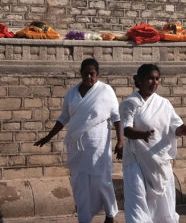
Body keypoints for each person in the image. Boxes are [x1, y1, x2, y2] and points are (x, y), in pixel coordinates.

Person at [35, 58, 122, 223]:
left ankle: (110, 214)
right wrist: (48, 137)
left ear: (97, 74)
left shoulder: (105, 91)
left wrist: (120, 140)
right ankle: (84, 217)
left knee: (101, 180)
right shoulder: (72, 93)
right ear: (81, 73)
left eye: (92, 74)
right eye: (86, 73)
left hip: (98, 144)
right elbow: (63, 118)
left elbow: (116, 117)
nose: (89, 77)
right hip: (76, 146)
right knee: (79, 182)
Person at [119, 64, 186, 223]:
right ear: (139, 80)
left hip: (159, 163)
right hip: (136, 162)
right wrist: (142, 135)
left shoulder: (164, 103)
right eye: (150, 78)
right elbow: (126, 130)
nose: (154, 82)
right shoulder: (130, 103)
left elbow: (175, 126)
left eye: (157, 78)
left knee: (164, 207)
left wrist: (183, 130)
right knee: (137, 204)